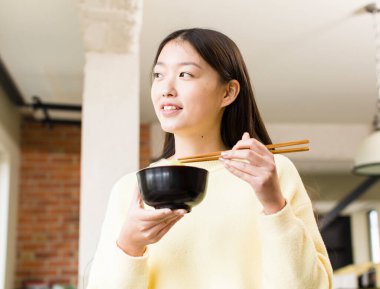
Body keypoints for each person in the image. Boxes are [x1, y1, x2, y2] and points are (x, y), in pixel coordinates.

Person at [86, 28, 333, 289]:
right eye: (158, 75)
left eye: (185, 74)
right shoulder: (131, 189)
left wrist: (274, 205)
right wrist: (129, 244)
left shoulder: (270, 173)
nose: (166, 89)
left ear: (228, 92)